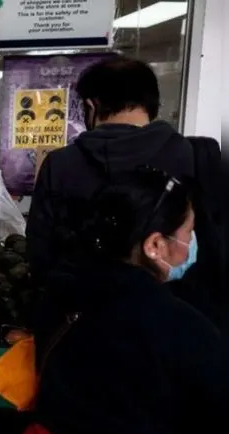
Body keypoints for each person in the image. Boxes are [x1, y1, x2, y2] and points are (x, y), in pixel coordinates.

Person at [0, 172, 228, 434]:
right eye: (188, 233)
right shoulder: (178, 326)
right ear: (155, 245)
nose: (192, 244)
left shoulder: (61, 293)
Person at [27, 56, 228, 333]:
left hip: (83, 329)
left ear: (91, 106)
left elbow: (41, 255)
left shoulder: (61, 165)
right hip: (175, 324)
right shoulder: (193, 156)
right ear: (151, 104)